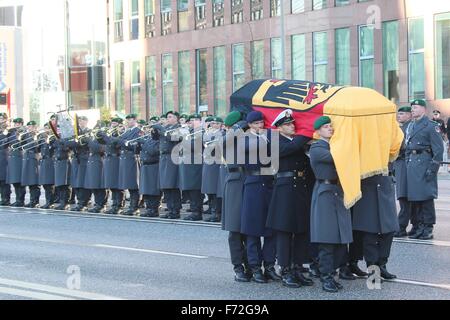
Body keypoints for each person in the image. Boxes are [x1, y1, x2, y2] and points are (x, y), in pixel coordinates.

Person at [266, 109, 314, 288]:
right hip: (285, 190)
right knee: (285, 232)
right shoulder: (275, 141)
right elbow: (291, 148)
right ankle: (285, 269)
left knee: (301, 231)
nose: (292, 126)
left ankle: (297, 268)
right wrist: (307, 131)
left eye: (293, 123)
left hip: (300, 190)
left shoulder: (297, 144)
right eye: (287, 124)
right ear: (278, 128)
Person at [309, 116, 353, 293]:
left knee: (341, 239)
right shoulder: (317, 147)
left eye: (331, 126)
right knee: (327, 239)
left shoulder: (333, 145)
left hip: (337, 192)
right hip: (325, 192)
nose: (330, 129)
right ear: (318, 131)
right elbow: (338, 158)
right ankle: (326, 277)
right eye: (326, 127)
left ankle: (332, 274)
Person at [240, 111, 277, 284]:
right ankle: (255, 268)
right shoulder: (244, 139)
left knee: (271, 229)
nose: (260, 126)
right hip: (253, 184)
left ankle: (269, 265)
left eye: (261, 123)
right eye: (256, 124)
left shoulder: (269, 138)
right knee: (253, 230)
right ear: (249, 125)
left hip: (269, 183)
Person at [405, 99, 444, 240]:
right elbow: (408, 147)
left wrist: (432, 168)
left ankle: (427, 227)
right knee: (415, 198)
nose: (412, 110)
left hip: (425, 163)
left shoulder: (430, 126)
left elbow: (438, 150)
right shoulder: (411, 125)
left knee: (426, 198)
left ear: (423, 109)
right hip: (413, 164)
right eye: (412, 108)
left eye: (415, 107)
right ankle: (419, 225)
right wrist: (407, 163)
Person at [221, 111, 250, 282]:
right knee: (236, 229)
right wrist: (239, 126)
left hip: (250, 179)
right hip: (235, 182)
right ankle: (238, 266)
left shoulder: (249, 138)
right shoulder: (227, 138)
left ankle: (252, 264)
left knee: (250, 228)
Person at [153, 111, 182, 219]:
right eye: (167, 117)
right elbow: (155, 138)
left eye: (170, 117)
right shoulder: (166, 128)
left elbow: (174, 138)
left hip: (172, 157)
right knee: (165, 185)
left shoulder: (179, 128)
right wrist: (155, 130)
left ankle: (175, 210)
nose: (168, 119)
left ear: (176, 118)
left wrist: (162, 130)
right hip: (164, 157)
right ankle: (170, 209)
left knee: (172, 185)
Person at [394, 106, 414, 237]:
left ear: (409, 115)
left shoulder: (408, 128)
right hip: (401, 163)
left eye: (401, 114)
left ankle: (401, 226)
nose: (398, 116)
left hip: (403, 162)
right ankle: (403, 225)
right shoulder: (402, 128)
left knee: (403, 197)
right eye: (398, 114)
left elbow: (402, 146)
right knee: (405, 197)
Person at [98, 117, 125, 215]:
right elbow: (102, 142)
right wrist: (100, 136)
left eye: (115, 123)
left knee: (117, 184)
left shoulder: (120, 132)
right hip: (109, 159)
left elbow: (114, 143)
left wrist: (105, 136)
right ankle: (114, 204)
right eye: (112, 123)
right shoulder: (110, 132)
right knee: (111, 184)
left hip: (116, 159)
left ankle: (119, 205)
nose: (113, 124)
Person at [116, 114, 141, 215]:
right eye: (127, 120)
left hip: (132, 158)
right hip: (125, 159)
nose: (128, 122)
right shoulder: (128, 131)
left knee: (133, 184)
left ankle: (134, 207)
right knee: (128, 183)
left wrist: (121, 141)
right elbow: (119, 141)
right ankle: (131, 206)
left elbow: (134, 145)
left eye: (130, 120)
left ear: (135, 120)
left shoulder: (138, 131)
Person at [180, 114, 204, 221]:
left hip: (196, 163)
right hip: (187, 163)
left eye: (195, 120)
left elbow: (195, 146)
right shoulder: (190, 132)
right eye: (191, 120)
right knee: (190, 188)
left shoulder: (201, 132)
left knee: (195, 189)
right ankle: (193, 209)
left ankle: (196, 212)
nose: (192, 122)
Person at [201, 116, 224, 222]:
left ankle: (217, 212)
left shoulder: (222, 134)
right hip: (208, 163)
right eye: (212, 123)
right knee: (208, 189)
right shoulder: (208, 133)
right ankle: (212, 209)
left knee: (215, 189)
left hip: (216, 163)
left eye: (216, 123)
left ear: (220, 125)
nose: (213, 125)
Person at [136, 127, 161, 217]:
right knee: (146, 189)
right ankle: (149, 208)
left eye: (151, 130)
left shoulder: (158, 140)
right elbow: (138, 152)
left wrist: (144, 143)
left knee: (153, 189)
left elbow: (153, 151)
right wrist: (138, 145)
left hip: (153, 165)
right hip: (145, 165)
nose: (147, 131)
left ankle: (154, 209)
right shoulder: (148, 139)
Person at [21, 121, 41, 208]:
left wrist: (34, 137)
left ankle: (35, 201)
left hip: (33, 159)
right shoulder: (26, 135)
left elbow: (37, 147)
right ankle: (32, 200)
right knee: (29, 181)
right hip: (27, 159)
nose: (29, 128)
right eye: (28, 127)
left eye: (31, 127)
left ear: (35, 127)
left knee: (34, 182)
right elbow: (22, 145)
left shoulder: (38, 135)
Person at [6, 118, 26, 207]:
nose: (16, 125)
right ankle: (18, 199)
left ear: (21, 124)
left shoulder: (24, 133)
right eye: (15, 124)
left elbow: (22, 145)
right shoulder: (12, 132)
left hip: (19, 157)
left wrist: (19, 136)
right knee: (14, 181)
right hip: (12, 158)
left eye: (18, 124)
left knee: (20, 181)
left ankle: (20, 200)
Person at [0, 113, 11, 206]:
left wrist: (3, 130)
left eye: (1, 118)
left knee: (4, 179)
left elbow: (6, 142)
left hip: (3, 156)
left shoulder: (7, 130)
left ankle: (5, 198)